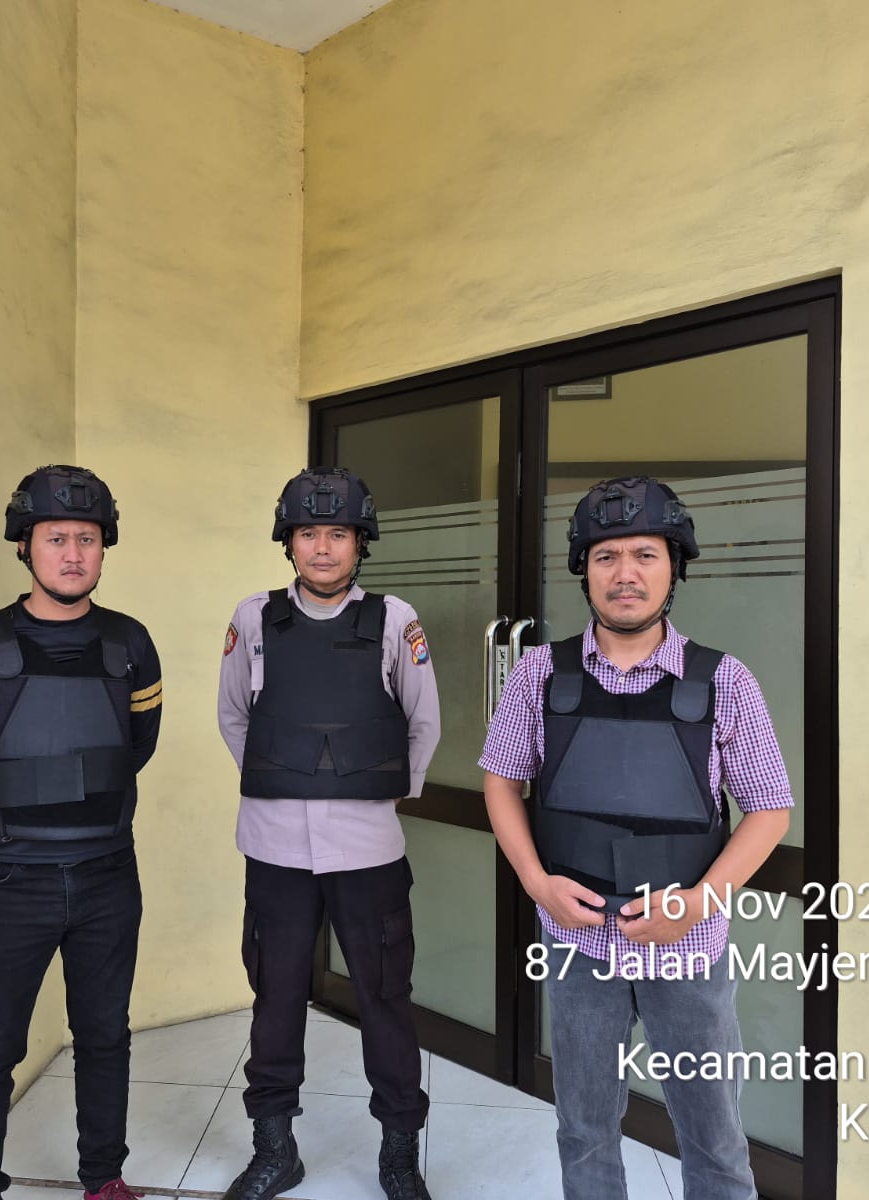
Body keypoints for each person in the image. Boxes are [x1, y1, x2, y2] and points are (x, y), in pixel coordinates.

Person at [479, 476, 793, 1200]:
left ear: (673, 566)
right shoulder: (537, 675)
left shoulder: (725, 681)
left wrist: (698, 903)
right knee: (585, 1129)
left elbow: (770, 809)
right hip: (578, 940)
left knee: (714, 1140)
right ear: (584, 570)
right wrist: (536, 884)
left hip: (688, 946)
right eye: (606, 556)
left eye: (645, 555)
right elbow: (501, 782)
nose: (625, 573)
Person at [0, 465, 162, 1200]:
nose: (73, 554)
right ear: (24, 545)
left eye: (87, 539)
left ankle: (103, 1180)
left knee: (105, 1036)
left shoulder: (130, 643)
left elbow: (138, 746)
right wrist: (1, 826)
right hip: (9, 882)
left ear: (104, 546)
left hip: (106, 875)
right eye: (56, 538)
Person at [216, 467, 440, 1200]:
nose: (321, 547)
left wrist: (380, 791)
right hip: (274, 846)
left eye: (336, 533)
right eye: (307, 533)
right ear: (288, 542)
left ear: (359, 542)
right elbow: (234, 717)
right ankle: (274, 1150)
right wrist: (281, 779)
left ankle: (399, 1155)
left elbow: (423, 722)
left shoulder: (395, 621)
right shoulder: (253, 618)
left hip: (368, 848)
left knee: (385, 998)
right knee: (275, 997)